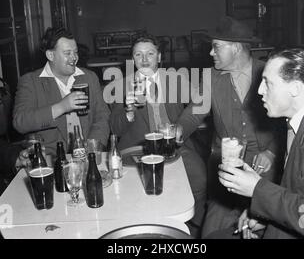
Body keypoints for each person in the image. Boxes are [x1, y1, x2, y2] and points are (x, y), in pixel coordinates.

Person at [176, 16, 285, 237]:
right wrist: (178, 130)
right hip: (225, 169)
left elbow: (288, 122)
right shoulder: (210, 79)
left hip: (265, 172)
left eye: (216, 47)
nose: (210, 53)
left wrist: (272, 152)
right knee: (210, 233)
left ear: (235, 48)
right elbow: (194, 114)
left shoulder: (269, 74)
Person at [109, 34, 207, 237]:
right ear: (132, 59)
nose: (144, 60)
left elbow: (201, 103)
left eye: (150, 54)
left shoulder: (177, 79)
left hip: (174, 147)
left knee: (199, 176)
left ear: (159, 56)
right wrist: (128, 111)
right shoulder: (121, 86)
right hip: (136, 149)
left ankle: (192, 226)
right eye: (138, 54)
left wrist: (182, 126)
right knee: (140, 196)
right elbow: (115, 129)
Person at [218, 48, 304, 239]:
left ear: (295, 88)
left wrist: (257, 189)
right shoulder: (295, 122)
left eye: (268, 83)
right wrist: (265, 215)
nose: (260, 91)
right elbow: (297, 195)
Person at [13, 27, 110, 163]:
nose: (74, 58)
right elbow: (20, 122)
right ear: (50, 55)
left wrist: (93, 145)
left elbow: (102, 115)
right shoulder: (30, 81)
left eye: (75, 52)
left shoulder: (89, 77)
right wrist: (62, 107)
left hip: (88, 156)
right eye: (67, 53)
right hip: (51, 160)